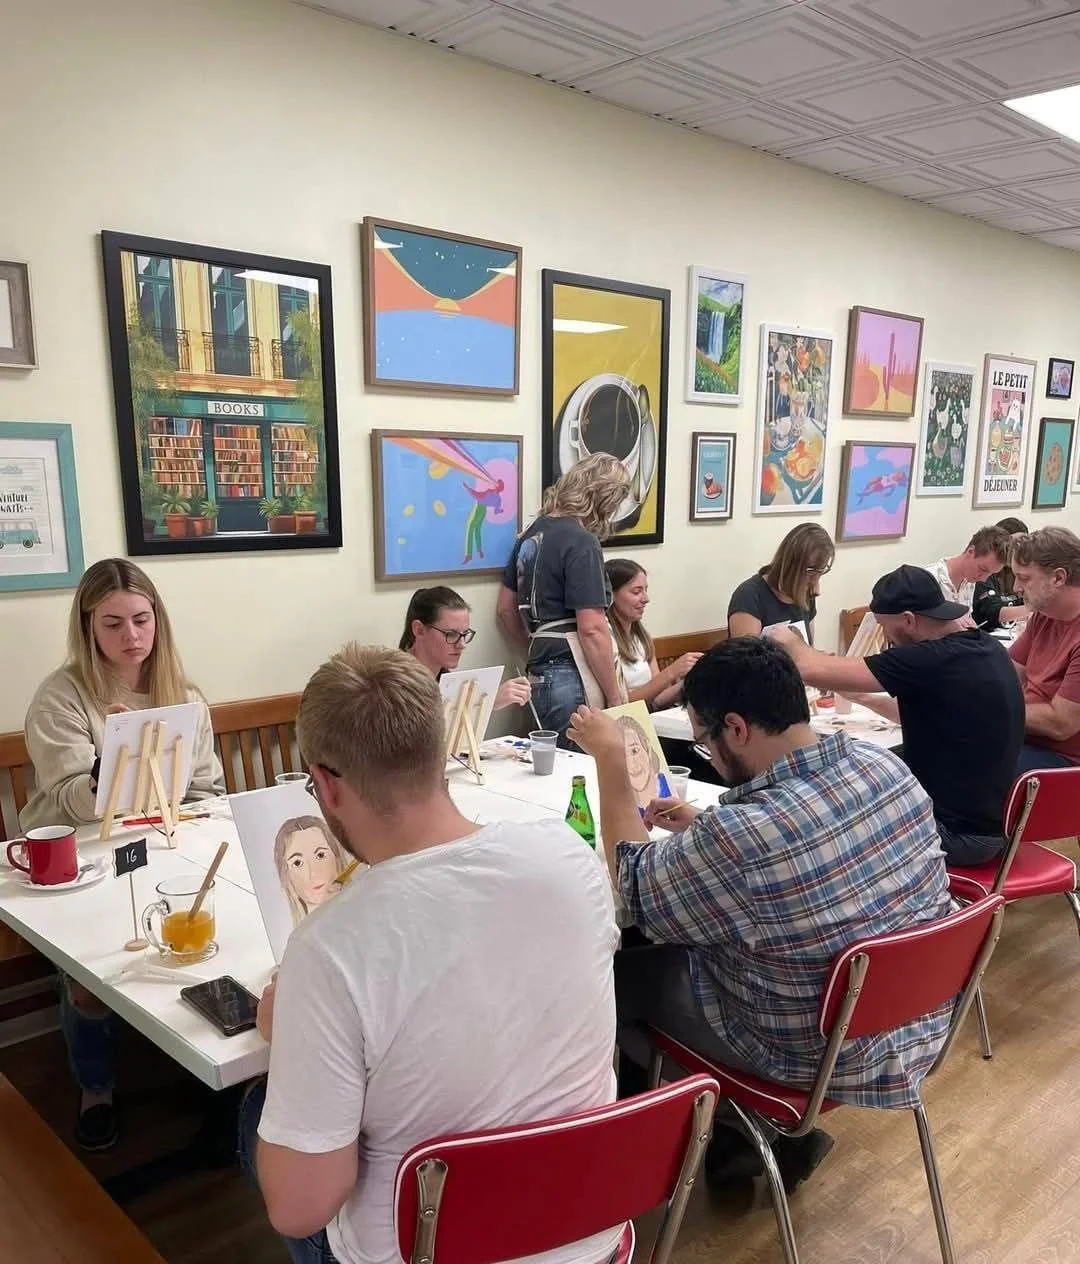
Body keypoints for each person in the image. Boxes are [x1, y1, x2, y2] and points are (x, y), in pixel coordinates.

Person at [241, 645, 621, 1264]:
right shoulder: (569, 856)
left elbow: (298, 1209)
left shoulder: (329, 946)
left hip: (431, 1249)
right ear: (439, 749)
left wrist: (295, 1037)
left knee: (256, 1114)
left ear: (326, 786)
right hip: (590, 1234)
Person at [568, 637, 952, 1193]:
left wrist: (610, 759)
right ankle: (738, 1140)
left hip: (813, 1053)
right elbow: (802, 846)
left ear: (736, 728)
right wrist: (705, 828)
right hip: (914, 1020)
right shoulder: (884, 766)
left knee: (610, 980)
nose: (709, 753)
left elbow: (631, 884)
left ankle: (710, 1139)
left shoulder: (743, 836)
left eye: (705, 741)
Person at [20, 558, 225, 1151]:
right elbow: (65, 798)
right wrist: (107, 768)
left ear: (158, 620)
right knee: (90, 974)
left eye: (141, 619)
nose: (131, 636)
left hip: (165, 845)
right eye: (112, 624)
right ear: (88, 626)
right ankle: (96, 1088)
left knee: (219, 934)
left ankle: (214, 1076)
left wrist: (194, 820)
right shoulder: (62, 697)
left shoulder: (183, 696)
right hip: (85, 856)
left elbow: (206, 789)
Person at [770, 566, 1024, 865]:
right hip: (995, 828)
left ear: (908, 620)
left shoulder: (928, 659)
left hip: (955, 836)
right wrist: (862, 697)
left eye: (883, 626)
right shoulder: (983, 647)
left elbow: (808, 668)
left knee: (827, 819)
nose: (886, 636)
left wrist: (787, 638)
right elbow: (932, 716)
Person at [497, 453, 631, 743]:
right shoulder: (582, 542)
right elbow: (592, 629)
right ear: (604, 499)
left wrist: (538, 646)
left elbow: (506, 609)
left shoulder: (529, 536)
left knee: (552, 761)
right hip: (573, 674)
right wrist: (614, 696)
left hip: (540, 672)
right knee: (581, 763)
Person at [1008, 527, 1080, 772]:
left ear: (1058, 578)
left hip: (1062, 761)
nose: (1016, 587)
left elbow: (1060, 724)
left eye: (1024, 578)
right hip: (1027, 741)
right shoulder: (1044, 616)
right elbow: (1006, 672)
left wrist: (993, 710)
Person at [400, 586, 530, 711]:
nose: (462, 645)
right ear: (419, 630)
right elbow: (427, 724)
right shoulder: (395, 685)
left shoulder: (447, 683)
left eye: (465, 634)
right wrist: (486, 702)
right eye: (451, 634)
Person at [605, 559, 701, 710]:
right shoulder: (606, 641)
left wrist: (692, 679)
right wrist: (671, 671)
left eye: (645, 590)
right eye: (636, 592)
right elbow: (621, 705)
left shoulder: (641, 637)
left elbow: (658, 700)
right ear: (611, 595)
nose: (646, 599)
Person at [726, 523, 834, 643]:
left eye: (821, 571)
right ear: (790, 564)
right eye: (810, 571)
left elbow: (808, 648)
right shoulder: (749, 596)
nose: (815, 580)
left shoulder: (807, 591)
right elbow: (746, 654)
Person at [275, 815, 351, 927]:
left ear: (337, 859)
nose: (313, 872)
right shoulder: (301, 937)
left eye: (320, 855)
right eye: (298, 863)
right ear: (287, 877)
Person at [923, 525, 1010, 613]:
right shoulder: (928, 579)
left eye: (991, 573)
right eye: (983, 569)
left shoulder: (969, 582)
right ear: (970, 551)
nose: (983, 579)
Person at [973, 517, 1031, 631]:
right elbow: (992, 612)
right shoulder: (987, 569)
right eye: (1014, 544)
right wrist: (1038, 610)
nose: (1018, 549)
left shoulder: (1024, 568)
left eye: (1023, 544)